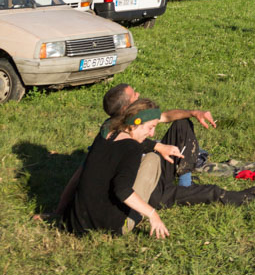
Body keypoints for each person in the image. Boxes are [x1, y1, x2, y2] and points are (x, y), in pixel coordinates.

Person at [66, 100, 255, 237]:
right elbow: (122, 190)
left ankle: (183, 181)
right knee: (206, 189)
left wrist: (59, 213)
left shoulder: (107, 131)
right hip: (116, 224)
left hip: (80, 221)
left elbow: (83, 176)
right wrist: (153, 215)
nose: (152, 133)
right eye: (150, 128)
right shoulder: (131, 148)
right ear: (134, 121)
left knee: (158, 151)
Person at [53, 81, 221, 221]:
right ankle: (174, 193)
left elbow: (165, 116)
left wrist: (193, 112)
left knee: (183, 123)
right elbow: (85, 173)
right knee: (154, 161)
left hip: (148, 171)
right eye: (135, 95)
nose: (138, 94)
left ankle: (186, 184)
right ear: (126, 107)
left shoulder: (136, 119)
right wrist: (60, 210)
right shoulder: (113, 135)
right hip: (137, 186)